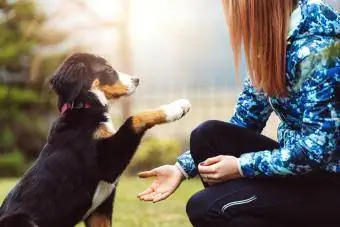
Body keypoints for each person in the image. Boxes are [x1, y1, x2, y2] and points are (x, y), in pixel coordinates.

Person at [137, 0, 340, 226]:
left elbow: (316, 151)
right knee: (208, 135)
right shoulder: (274, 46)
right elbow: (245, 120)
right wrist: (181, 169)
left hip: (330, 183)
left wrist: (241, 167)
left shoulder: (318, 53)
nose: (235, 19)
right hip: (302, 175)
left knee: (206, 207)